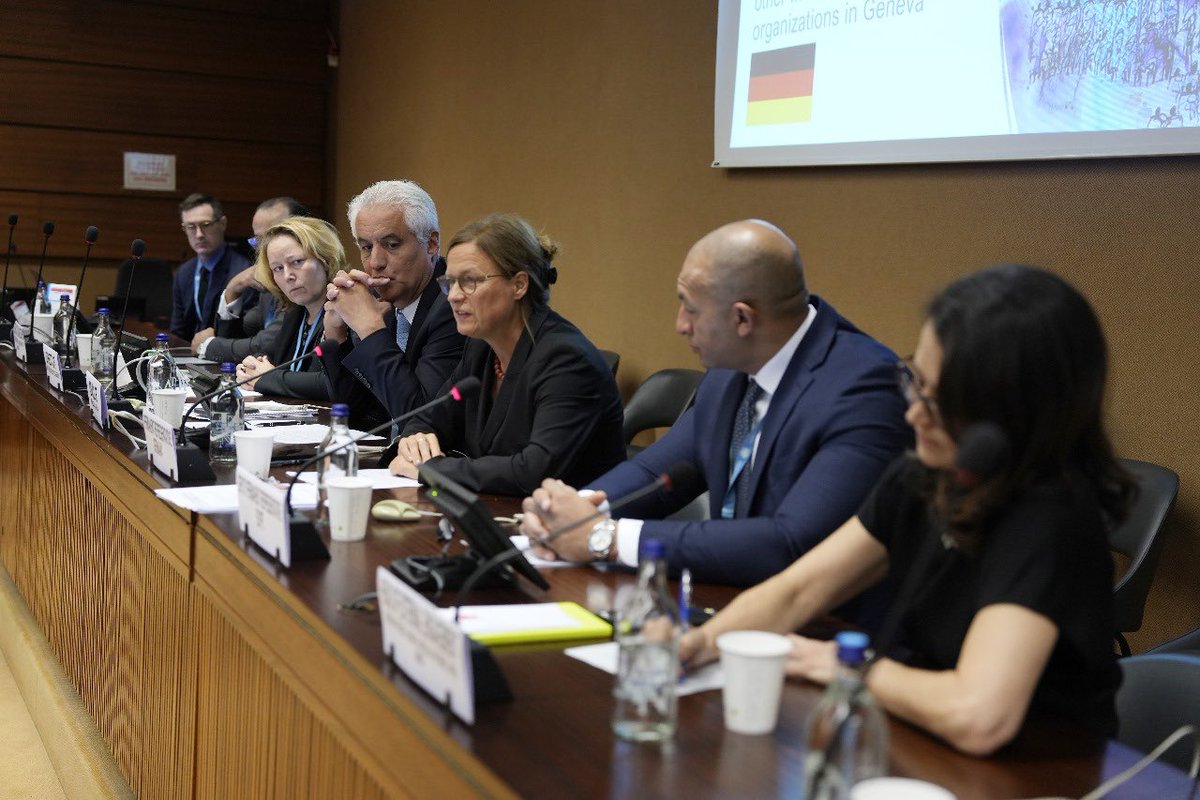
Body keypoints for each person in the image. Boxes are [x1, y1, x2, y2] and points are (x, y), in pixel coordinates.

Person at [677, 264, 1134, 755]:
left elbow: (978, 715)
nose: (913, 412)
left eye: (939, 403)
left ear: (1013, 414)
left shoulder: (1051, 517)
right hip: (925, 741)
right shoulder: (924, 477)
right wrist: (700, 644)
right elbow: (799, 590)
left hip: (1039, 772)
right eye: (915, 382)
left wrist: (841, 665)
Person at [520, 220, 910, 587]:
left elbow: (790, 543)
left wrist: (605, 537)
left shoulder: (865, 390)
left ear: (742, 319)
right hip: (731, 601)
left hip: (830, 632)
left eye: (690, 307)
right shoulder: (731, 368)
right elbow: (657, 471)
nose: (680, 324)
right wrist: (573, 512)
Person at [388, 213, 625, 496]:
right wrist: (415, 440)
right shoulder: (481, 347)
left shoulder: (567, 360)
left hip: (574, 528)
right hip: (504, 513)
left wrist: (433, 469)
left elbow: (534, 471)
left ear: (519, 284)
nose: (452, 296)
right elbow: (428, 417)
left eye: (470, 281)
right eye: (449, 282)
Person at [320, 180, 465, 428]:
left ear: (431, 244)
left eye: (392, 244)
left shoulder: (454, 304)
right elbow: (351, 410)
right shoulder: (382, 304)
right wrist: (336, 333)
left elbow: (420, 418)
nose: (375, 262)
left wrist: (371, 329)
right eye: (366, 247)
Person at [234, 216, 346, 401]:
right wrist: (250, 368)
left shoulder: (344, 310)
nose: (287, 276)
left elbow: (329, 384)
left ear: (325, 259)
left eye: (297, 262)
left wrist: (267, 377)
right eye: (277, 268)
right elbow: (273, 361)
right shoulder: (295, 314)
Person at [192, 196, 311, 359]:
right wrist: (232, 289)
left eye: (272, 237)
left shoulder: (302, 283)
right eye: (258, 240)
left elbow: (265, 345)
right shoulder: (269, 281)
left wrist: (207, 345)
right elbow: (238, 342)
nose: (263, 249)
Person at [170, 193, 252, 340]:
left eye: (205, 225)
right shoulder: (184, 273)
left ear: (222, 224)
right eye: (191, 227)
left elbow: (246, 333)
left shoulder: (243, 272)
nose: (199, 234)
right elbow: (178, 331)